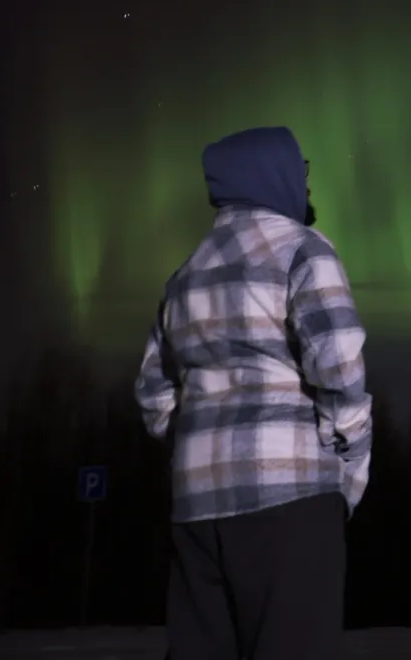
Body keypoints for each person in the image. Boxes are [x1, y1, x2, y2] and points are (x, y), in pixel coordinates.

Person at [134, 125, 372, 660]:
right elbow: (339, 368)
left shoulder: (184, 276)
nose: (306, 183)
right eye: (301, 170)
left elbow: (153, 393)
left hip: (197, 509)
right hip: (289, 499)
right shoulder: (303, 253)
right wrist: (349, 465)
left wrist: (198, 444)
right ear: (272, 175)